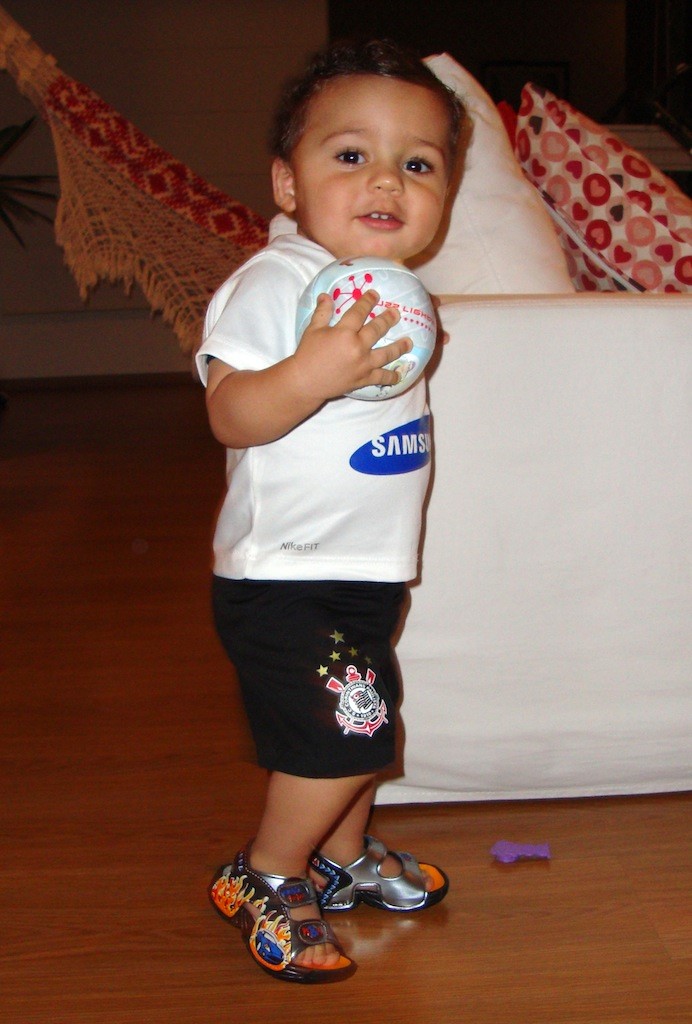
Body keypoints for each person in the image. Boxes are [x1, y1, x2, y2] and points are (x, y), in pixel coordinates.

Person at [196, 38, 465, 983]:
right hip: (284, 573)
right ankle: (267, 870)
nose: (386, 179)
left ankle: (341, 857)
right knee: (350, 729)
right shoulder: (276, 282)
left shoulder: (399, 292)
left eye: (418, 164)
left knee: (361, 713)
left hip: (365, 569)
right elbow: (230, 411)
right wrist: (311, 371)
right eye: (351, 154)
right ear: (287, 181)